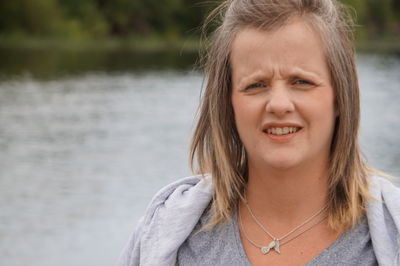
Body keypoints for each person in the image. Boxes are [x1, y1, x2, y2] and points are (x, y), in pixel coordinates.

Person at [118, 0, 400, 265]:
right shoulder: (169, 233)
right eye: (255, 85)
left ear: (340, 97)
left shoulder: (390, 234)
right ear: (228, 103)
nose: (278, 104)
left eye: (301, 81)